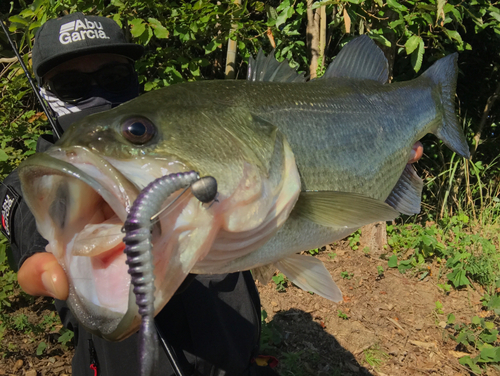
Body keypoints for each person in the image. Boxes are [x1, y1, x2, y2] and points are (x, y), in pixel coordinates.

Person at [0, 12, 275, 376]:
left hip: (236, 360)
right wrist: (42, 247)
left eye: (114, 78)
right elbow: (27, 208)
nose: (99, 94)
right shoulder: (33, 181)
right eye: (71, 86)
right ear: (46, 93)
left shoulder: (186, 139)